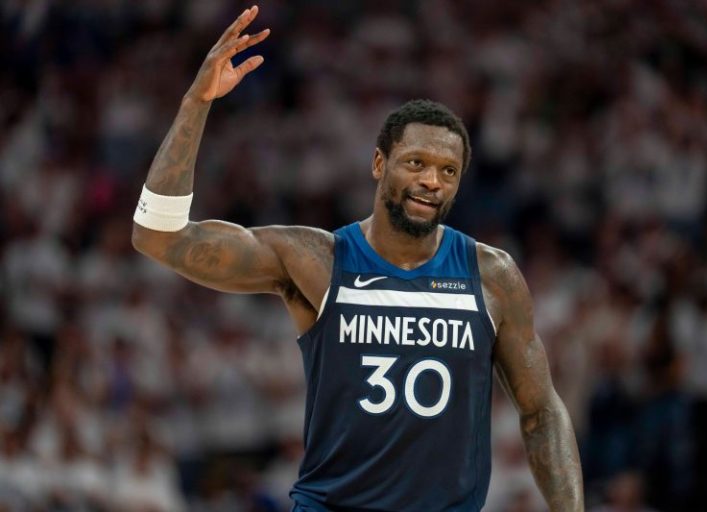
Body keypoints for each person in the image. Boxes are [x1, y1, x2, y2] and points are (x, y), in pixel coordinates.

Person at [131, 6, 584, 512]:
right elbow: (157, 236)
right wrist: (196, 103)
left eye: (448, 171)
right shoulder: (315, 260)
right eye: (416, 163)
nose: (431, 181)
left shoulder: (491, 275)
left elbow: (542, 413)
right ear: (378, 163)